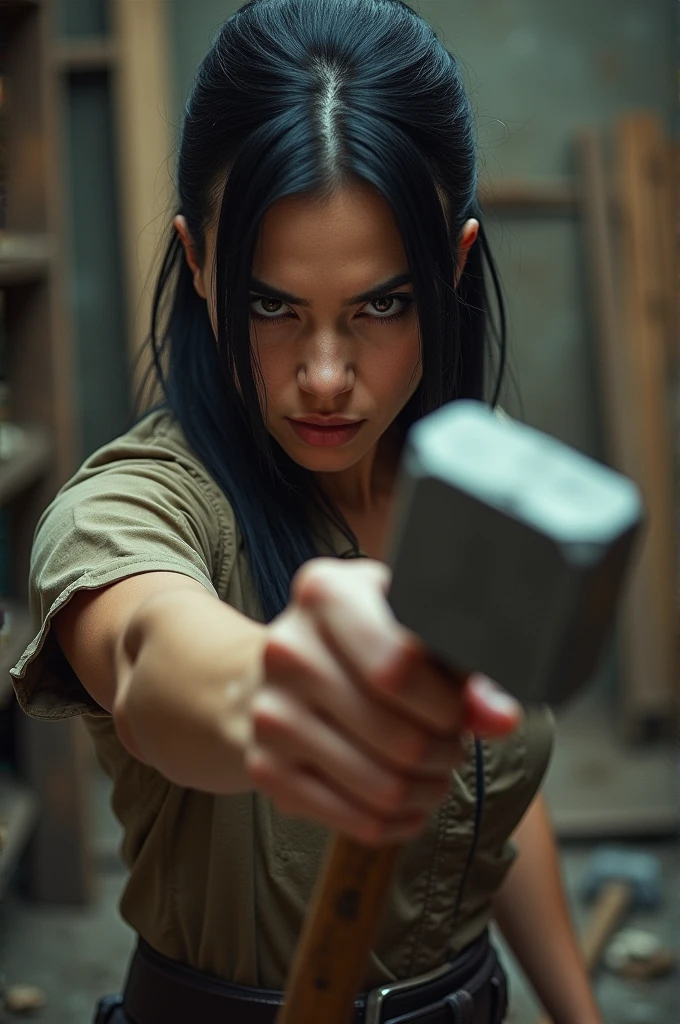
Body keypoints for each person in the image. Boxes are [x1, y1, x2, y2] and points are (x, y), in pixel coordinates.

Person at [10, 1, 604, 1021]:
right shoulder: (135, 504)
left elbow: (492, 798)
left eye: (380, 304)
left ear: (451, 266)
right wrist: (276, 692)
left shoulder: (457, 499)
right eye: (269, 304)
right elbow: (154, 656)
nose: (324, 376)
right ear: (197, 263)